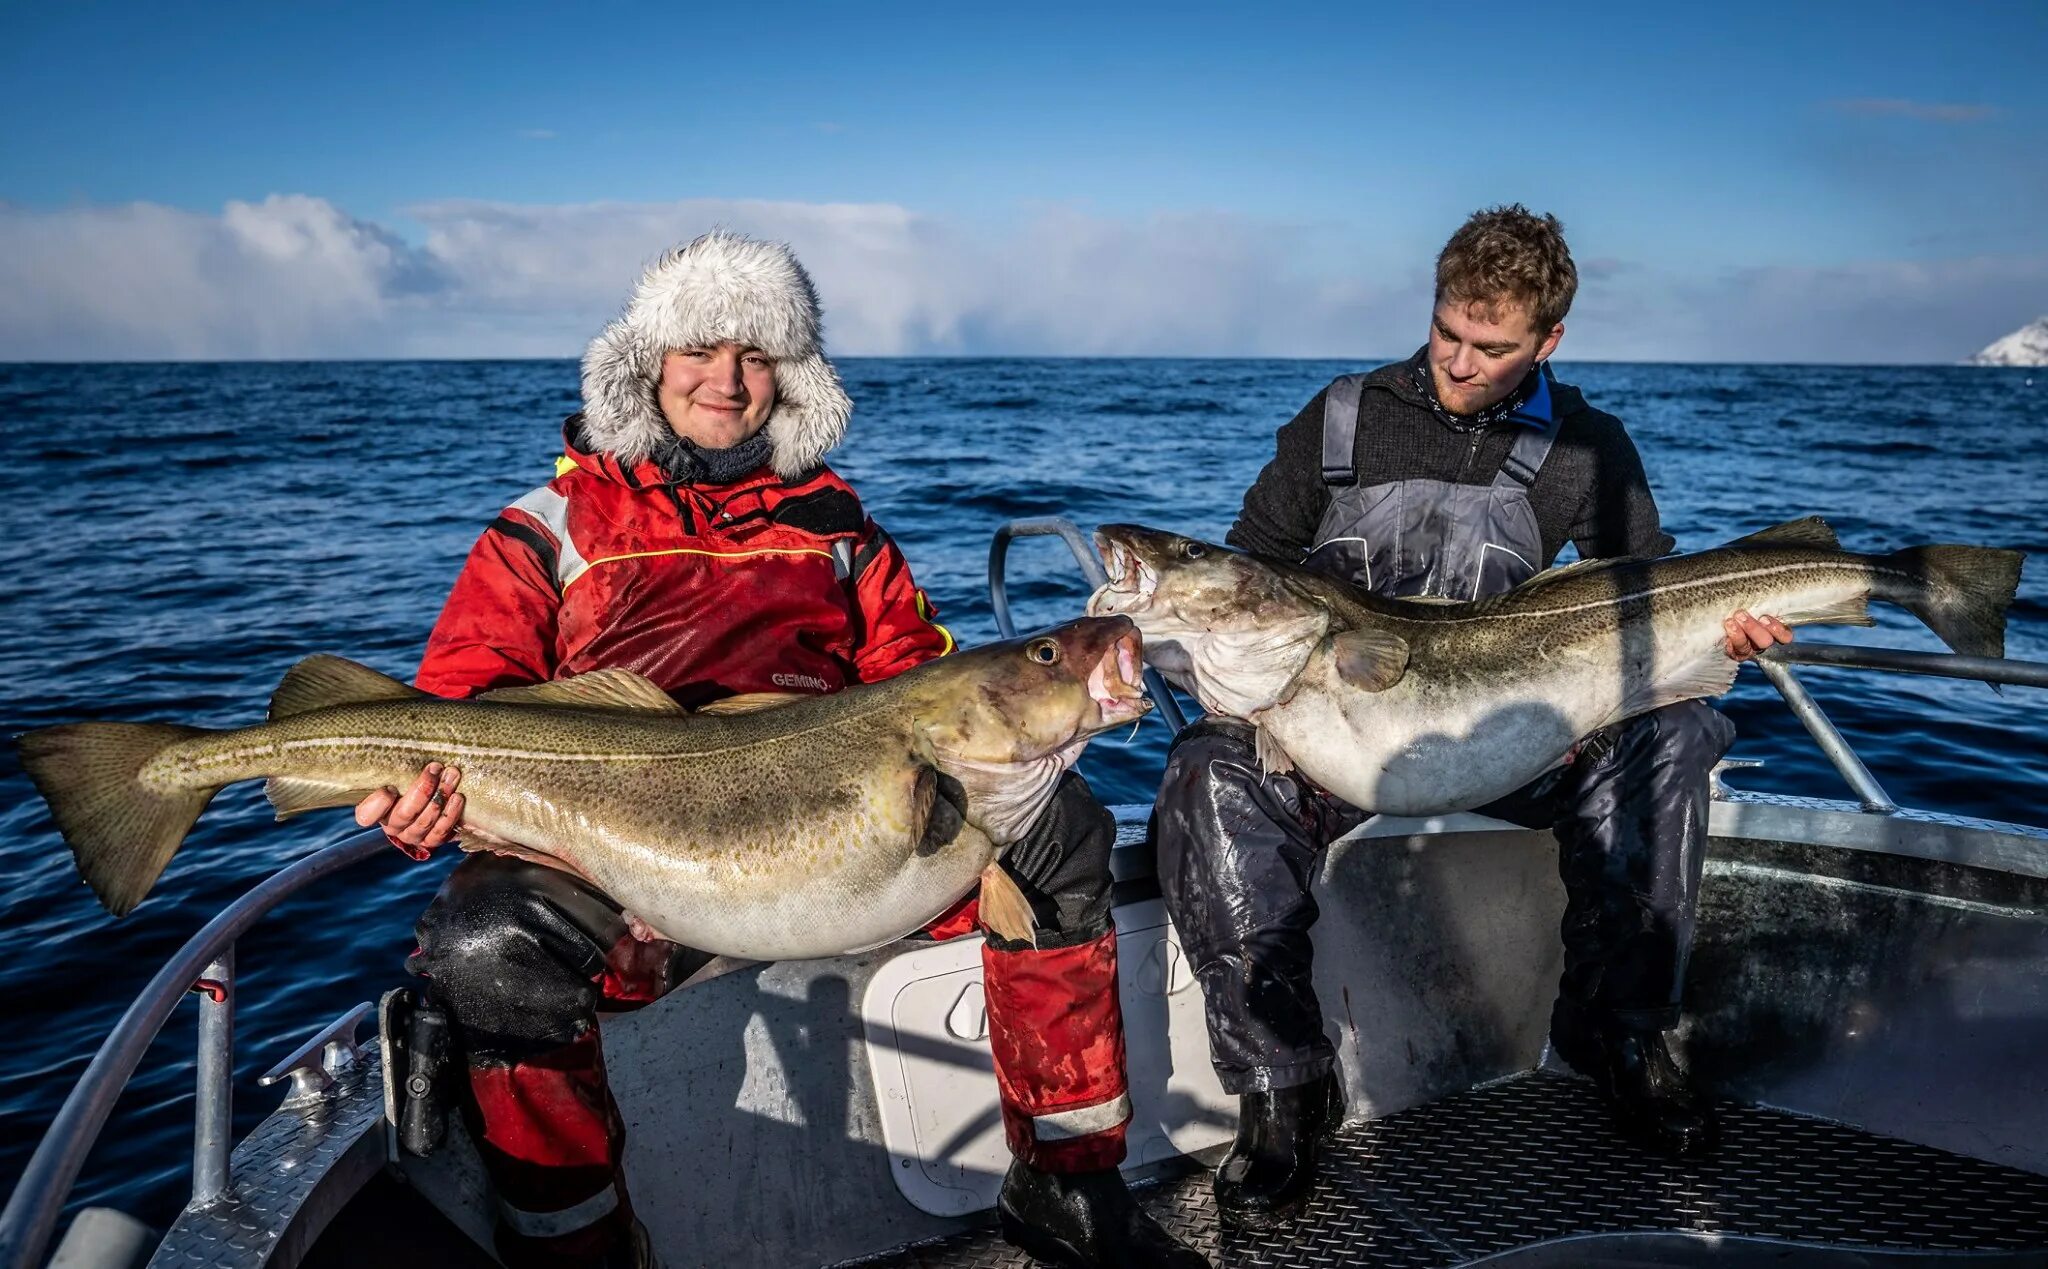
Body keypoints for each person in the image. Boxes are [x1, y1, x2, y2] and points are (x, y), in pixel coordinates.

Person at [356, 232, 1206, 1269]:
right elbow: (460, 704)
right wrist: (425, 809)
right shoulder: (548, 529)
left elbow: (914, 667)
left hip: (842, 844)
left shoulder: (839, 530)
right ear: (647, 364)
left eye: (755, 356)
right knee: (483, 945)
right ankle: (575, 1249)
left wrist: (1037, 711)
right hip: (623, 866)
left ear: (787, 378)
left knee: (1064, 832)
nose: (726, 379)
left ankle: (1067, 1181)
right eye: (700, 350)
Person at [1151, 205, 1794, 1230]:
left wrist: (1723, 634)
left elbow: (1645, 595)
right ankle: (1280, 1089)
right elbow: (1247, 561)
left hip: (1513, 737)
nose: (1457, 361)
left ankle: (1617, 1037)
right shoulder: (1342, 416)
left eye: (1489, 348)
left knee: (1672, 739)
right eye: (1447, 332)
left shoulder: (1585, 447)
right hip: (1333, 731)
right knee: (1205, 771)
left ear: (1546, 341)